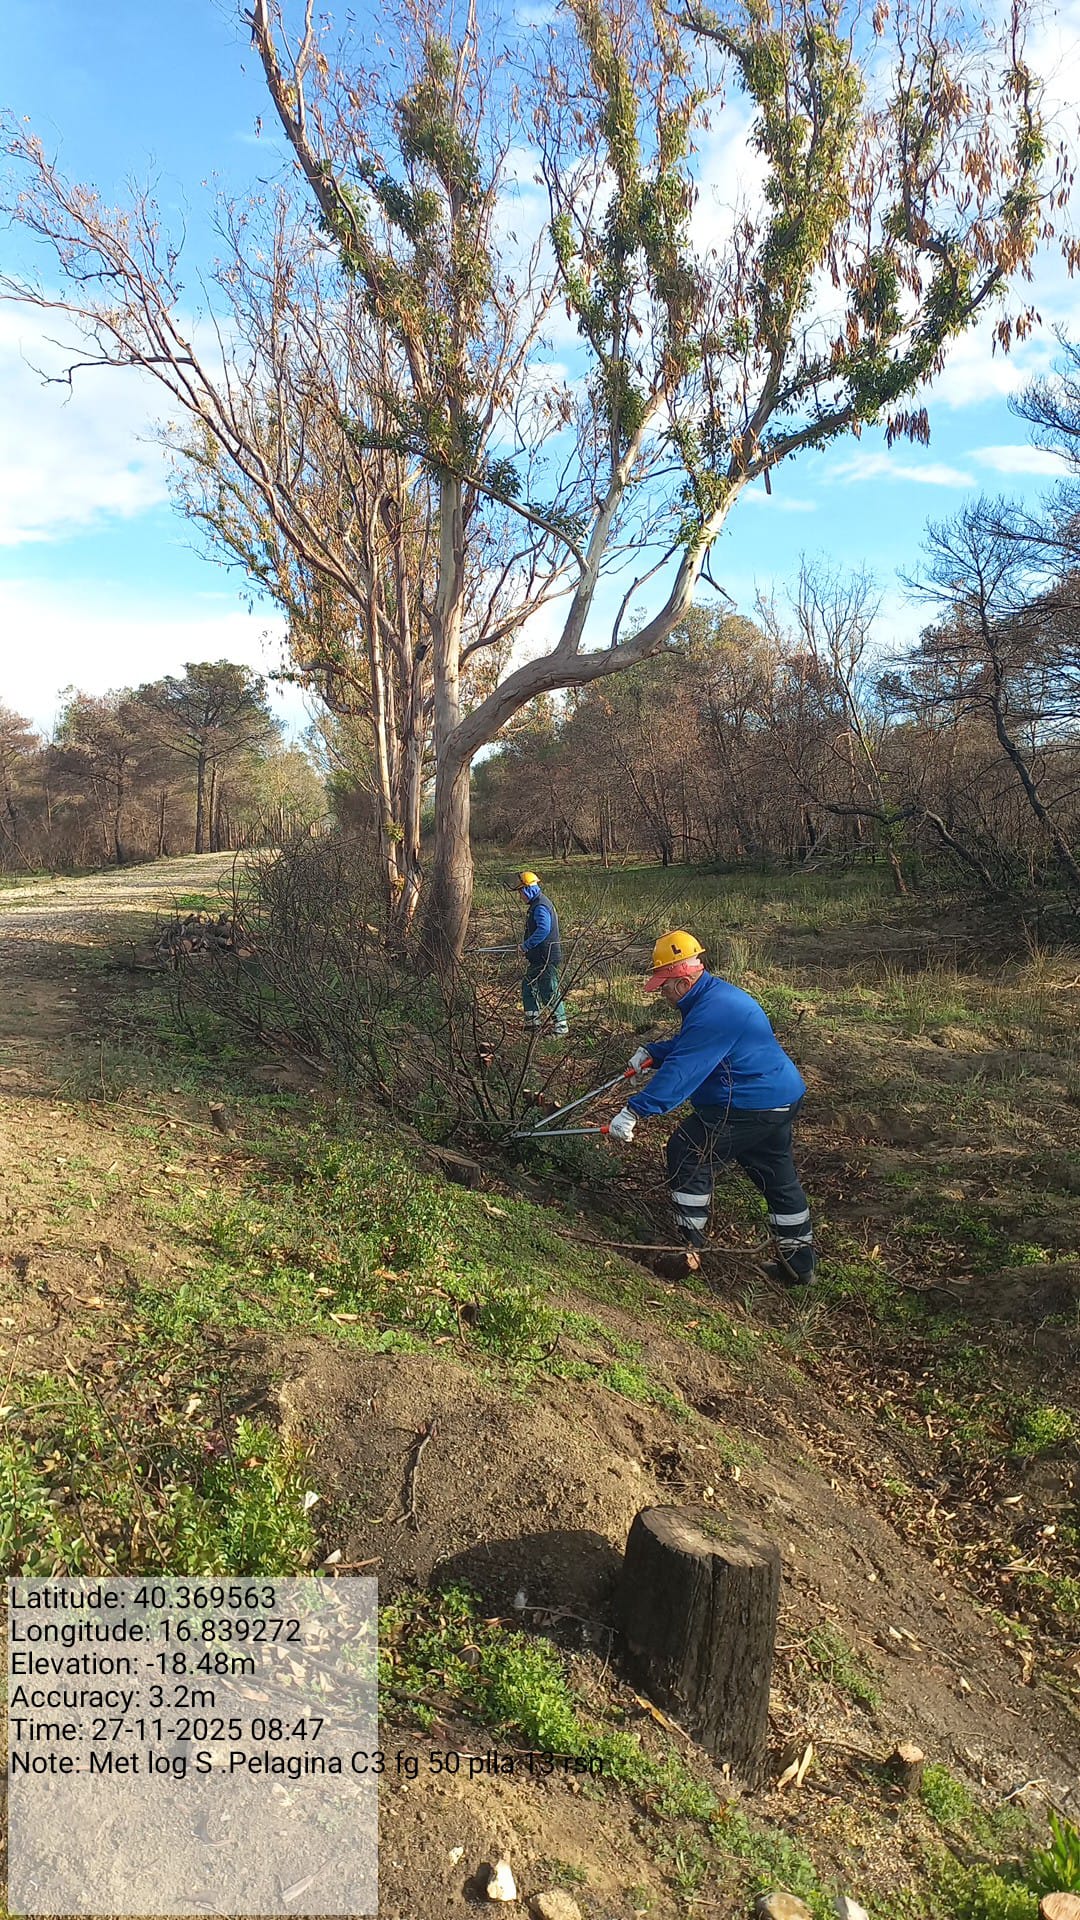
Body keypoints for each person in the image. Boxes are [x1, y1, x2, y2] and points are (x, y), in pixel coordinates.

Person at [606, 931, 815, 1283]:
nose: (661, 992)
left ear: (685, 982)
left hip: (750, 1102)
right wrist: (654, 1053)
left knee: (688, 1151)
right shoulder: (712, 999)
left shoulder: (715, 1010)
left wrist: (635, 1111)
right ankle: (799, 1267)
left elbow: (686, 1067)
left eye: (665, 985)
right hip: (775, 1097)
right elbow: (694, 1044)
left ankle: (688, 1246)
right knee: (777, 1179)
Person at [516, 870, 569, 1038]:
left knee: (549, 990)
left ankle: (561, 1027)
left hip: (545, 957)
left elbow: (544, 929)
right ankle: (533, 1023)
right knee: (528, 985)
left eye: (520, 892)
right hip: (538, 957)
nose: (520, 896)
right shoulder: (537, 904)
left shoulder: (540, 906)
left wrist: (526, 945)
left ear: (527, 889)